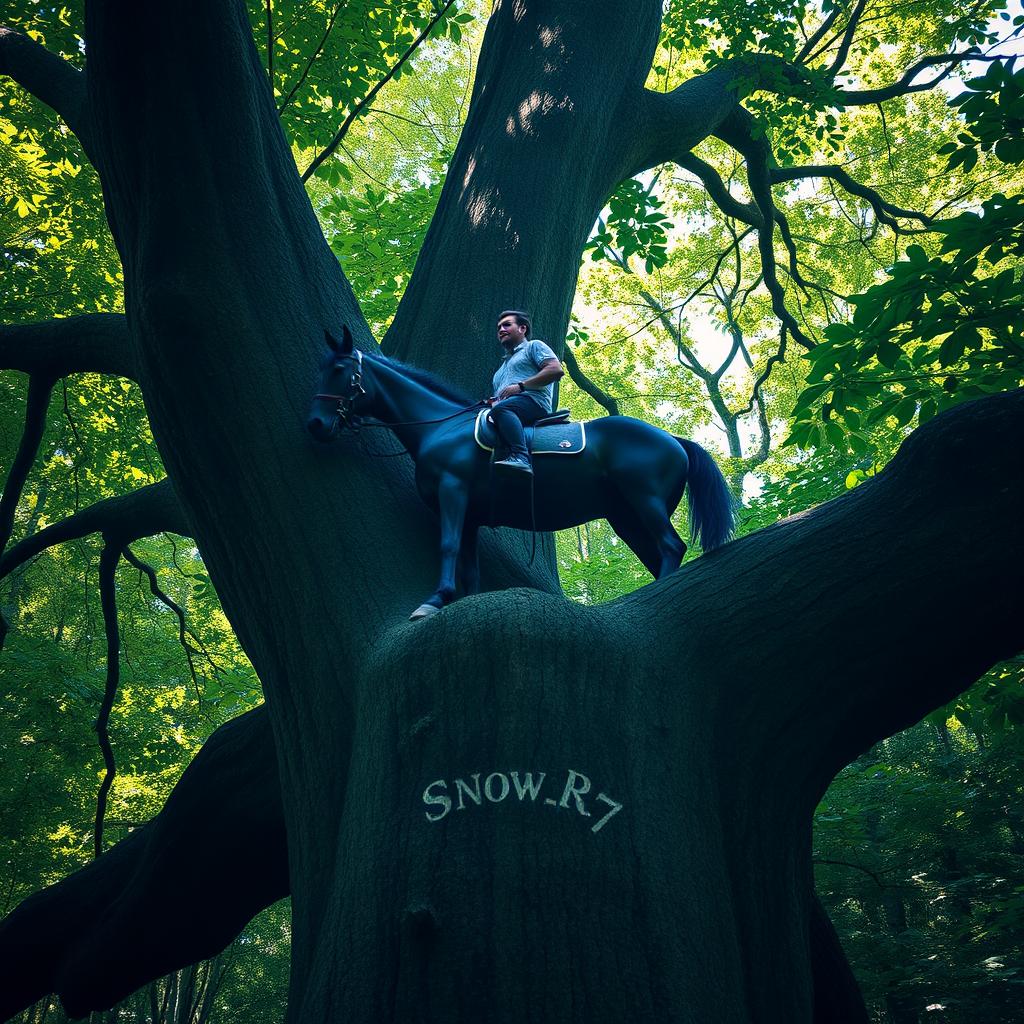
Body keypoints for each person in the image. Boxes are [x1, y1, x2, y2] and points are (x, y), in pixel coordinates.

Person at [489, 310, 564, 474]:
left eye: (507, 325)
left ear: (522, 329)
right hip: (510, 409)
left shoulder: (534, 346)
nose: (501, 329)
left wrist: (521, 386)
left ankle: (520, 457)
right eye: (499, 327)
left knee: (502, 409)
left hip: (534, 402)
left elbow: (555, 370)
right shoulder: (501, 369)